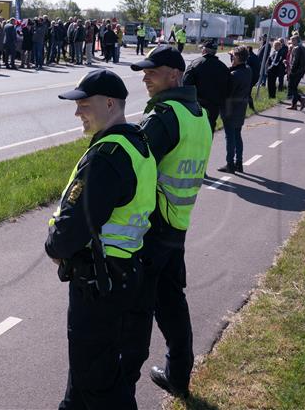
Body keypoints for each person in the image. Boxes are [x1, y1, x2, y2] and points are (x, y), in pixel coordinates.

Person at [46, 69, 156, 410]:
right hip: (123, 275)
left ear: (109, 103)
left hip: (99, 283)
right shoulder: (135, 143)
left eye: (84, 104)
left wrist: (54, 246)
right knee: (87, 378)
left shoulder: (107, 156)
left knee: (99, 383)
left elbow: (75, 224)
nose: (77, 112)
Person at [123, 45, 213, 401]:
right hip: (178, 222)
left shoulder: (164, 116)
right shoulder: (198, 113)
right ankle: (178, 374)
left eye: (152, 71)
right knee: (172, 301)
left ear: (175, 75)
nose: (145, 77)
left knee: (138, 307)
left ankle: (121, 384)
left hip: (152, 226)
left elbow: (134, 169)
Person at [218, 47, 252, 173]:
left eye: (232, 56)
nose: (231, 59)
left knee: (230, 137)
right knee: (237, 135)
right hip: (241, 107)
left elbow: (227, 93)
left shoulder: (234, 75)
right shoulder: (248, 70)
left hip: (230, 109)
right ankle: (239, 162)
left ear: (237, 58)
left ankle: (230, 163)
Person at [183, 40, 229, 131]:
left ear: (204, 50)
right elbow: (228, 88)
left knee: (194, 130)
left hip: (197, 105)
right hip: (214, 106)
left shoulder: (195, 64)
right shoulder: (223, 67)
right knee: (209, 129)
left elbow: (185, 84)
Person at [286, 35, 305, 110]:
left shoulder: (296, 48)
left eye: (293, 40)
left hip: (295, 71)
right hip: (301, 71)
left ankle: (301, 100)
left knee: (291, 87)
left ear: (296, 40)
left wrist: (291, 71)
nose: (291, 42)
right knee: (294, 87)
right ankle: (294, 105)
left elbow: (294, 61)